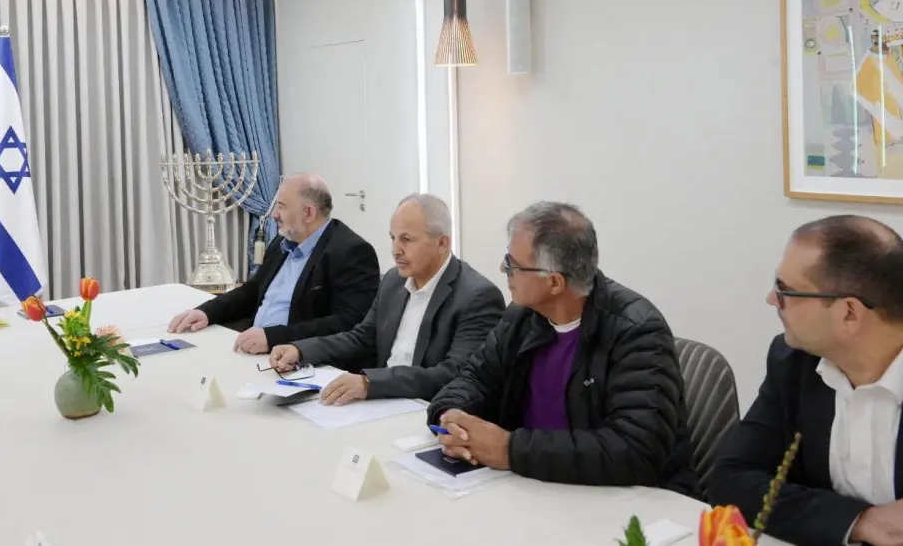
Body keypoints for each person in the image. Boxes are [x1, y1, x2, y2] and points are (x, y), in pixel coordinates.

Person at [425, 201, 699, 496]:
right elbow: (474, 378)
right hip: (531, 488)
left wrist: (509, 450)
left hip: (621, 502)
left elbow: (635, 450)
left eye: (512, 263)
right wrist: (452, 417)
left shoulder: (636, 332)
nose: (503, 268)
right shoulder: (522, 317)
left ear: (554, 282)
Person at [709, 215, 903, 546]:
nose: (772, 300)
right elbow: (730, 480)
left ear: (849, 313)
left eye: (784, 290)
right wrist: (859, 520)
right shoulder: (793, 362)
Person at [268, 194, 505, 404]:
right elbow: (362, 338)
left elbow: (454, 374)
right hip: (383, 402)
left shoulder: (478, 296)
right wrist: (301, 350)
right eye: (392, 238)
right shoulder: (394, 280)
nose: (395, 250)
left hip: (427, 410)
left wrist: (371, 383)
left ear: (442, 243)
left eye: (407, 240)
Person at [168, 174, 380, 354]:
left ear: (308, 213)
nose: (274, 214)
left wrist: (274, 337)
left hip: (300, 361)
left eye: (281, 206)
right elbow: (252, 291)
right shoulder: (283, 241)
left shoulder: (352, 252)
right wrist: (207, 312)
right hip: (252, 349)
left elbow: (348, 324)